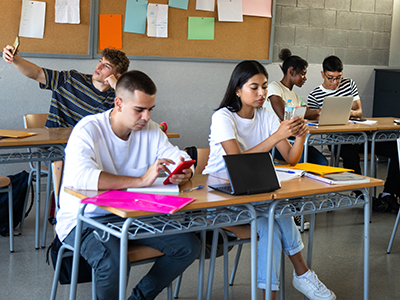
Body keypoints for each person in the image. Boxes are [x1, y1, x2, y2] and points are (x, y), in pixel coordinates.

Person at [56, 70, 200, 300]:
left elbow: (177, 156)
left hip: (130, 215)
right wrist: (141, 181)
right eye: (139, 110)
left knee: (188, 247)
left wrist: (185, 171)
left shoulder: (150, 129)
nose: (146, 117)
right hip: (85, 219)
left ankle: (139, 297)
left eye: (150, 109)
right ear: (119, 103)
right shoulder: (88, 129)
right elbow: (81, 178)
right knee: (113, 260)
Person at [203, 60, 336, 300]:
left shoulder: (265, 115)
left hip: (253, 191)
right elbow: (237, 162)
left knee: (272, 221)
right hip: (220, 194)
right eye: (254, 87)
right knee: (276, 214)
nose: (262, 93)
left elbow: (291, 158)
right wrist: (276, 136)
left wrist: (301, 135)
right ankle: (302, 273)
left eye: (264, 86)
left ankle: (270, 294)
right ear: (237, 89)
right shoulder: (223, 117)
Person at [308, 55, 400, 213]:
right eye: (330, 78)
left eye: (338, 78)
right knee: (350, 154)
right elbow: (312, 120)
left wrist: (346, 113)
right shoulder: (314, 95)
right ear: (323, 74)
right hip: (336, 140)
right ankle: (361, 194)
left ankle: (387, 193)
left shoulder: (349, 84)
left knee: (396, 149)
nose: (335, 82)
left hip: (360, 135)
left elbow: (359, 112)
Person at [265, 48, 328, 230]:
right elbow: (283, 114)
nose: (304, 78)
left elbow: (305, 113)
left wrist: (319, 112)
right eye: (302, 74)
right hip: (276, 143)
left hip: (296, 141)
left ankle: (296, 207)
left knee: (321, 162)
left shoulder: (295, 96)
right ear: (291, 71)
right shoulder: (274, 88)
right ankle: (294, 212)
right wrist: (303, 115)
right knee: (298, 166)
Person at [2, 44, 130, 128]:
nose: (99, 67)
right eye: (100, 61)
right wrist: (14, 58)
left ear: (117, 76)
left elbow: (132, 116)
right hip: (55, 149)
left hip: (88, 151)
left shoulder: (117, 97)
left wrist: (117, 86)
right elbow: (36, 73)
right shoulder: (71, 79)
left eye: (107, 66)